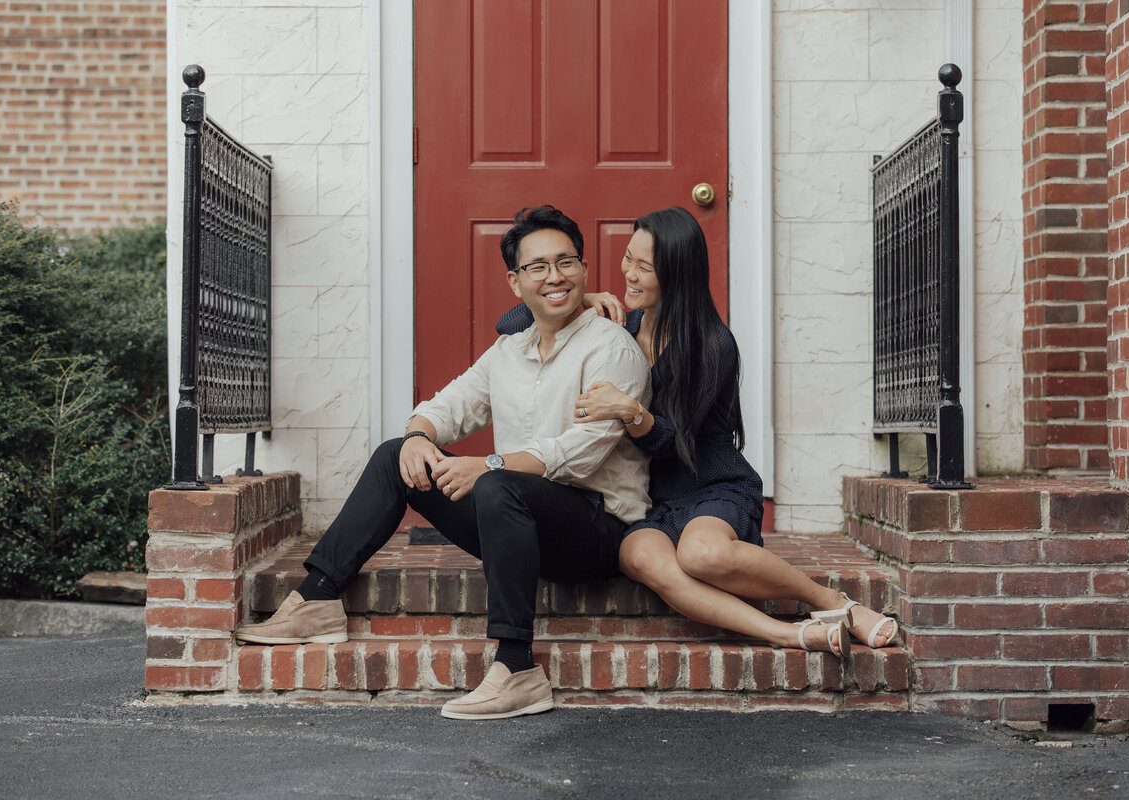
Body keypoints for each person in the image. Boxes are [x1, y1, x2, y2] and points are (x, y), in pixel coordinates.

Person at [237, 205, 651, 720]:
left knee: (500, 484)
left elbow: (582, 451)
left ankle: (518, 669)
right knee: (396, 456)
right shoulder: (509, 350)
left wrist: (491, 464)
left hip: (596, 530)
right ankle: (319, 598)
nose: (554, 277)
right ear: (514, 282)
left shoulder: (611, 348)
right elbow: (447, 407)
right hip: (521, 521)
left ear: (585, 270)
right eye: (537, 266)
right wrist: (417, 435)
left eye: (565, 262)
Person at [497, 207, 897, 656]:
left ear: (677, 274)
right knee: (645, 560)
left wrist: (633, 412)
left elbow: (677, 446)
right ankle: (789, 633)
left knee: (701, 555)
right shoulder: (618, 327)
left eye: (644, 267)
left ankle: (833, 603)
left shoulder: (712, 345)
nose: (628, 273)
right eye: (628, 258)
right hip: (647, 503)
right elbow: (510, 324)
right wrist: (581, 303)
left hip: (709, 485)